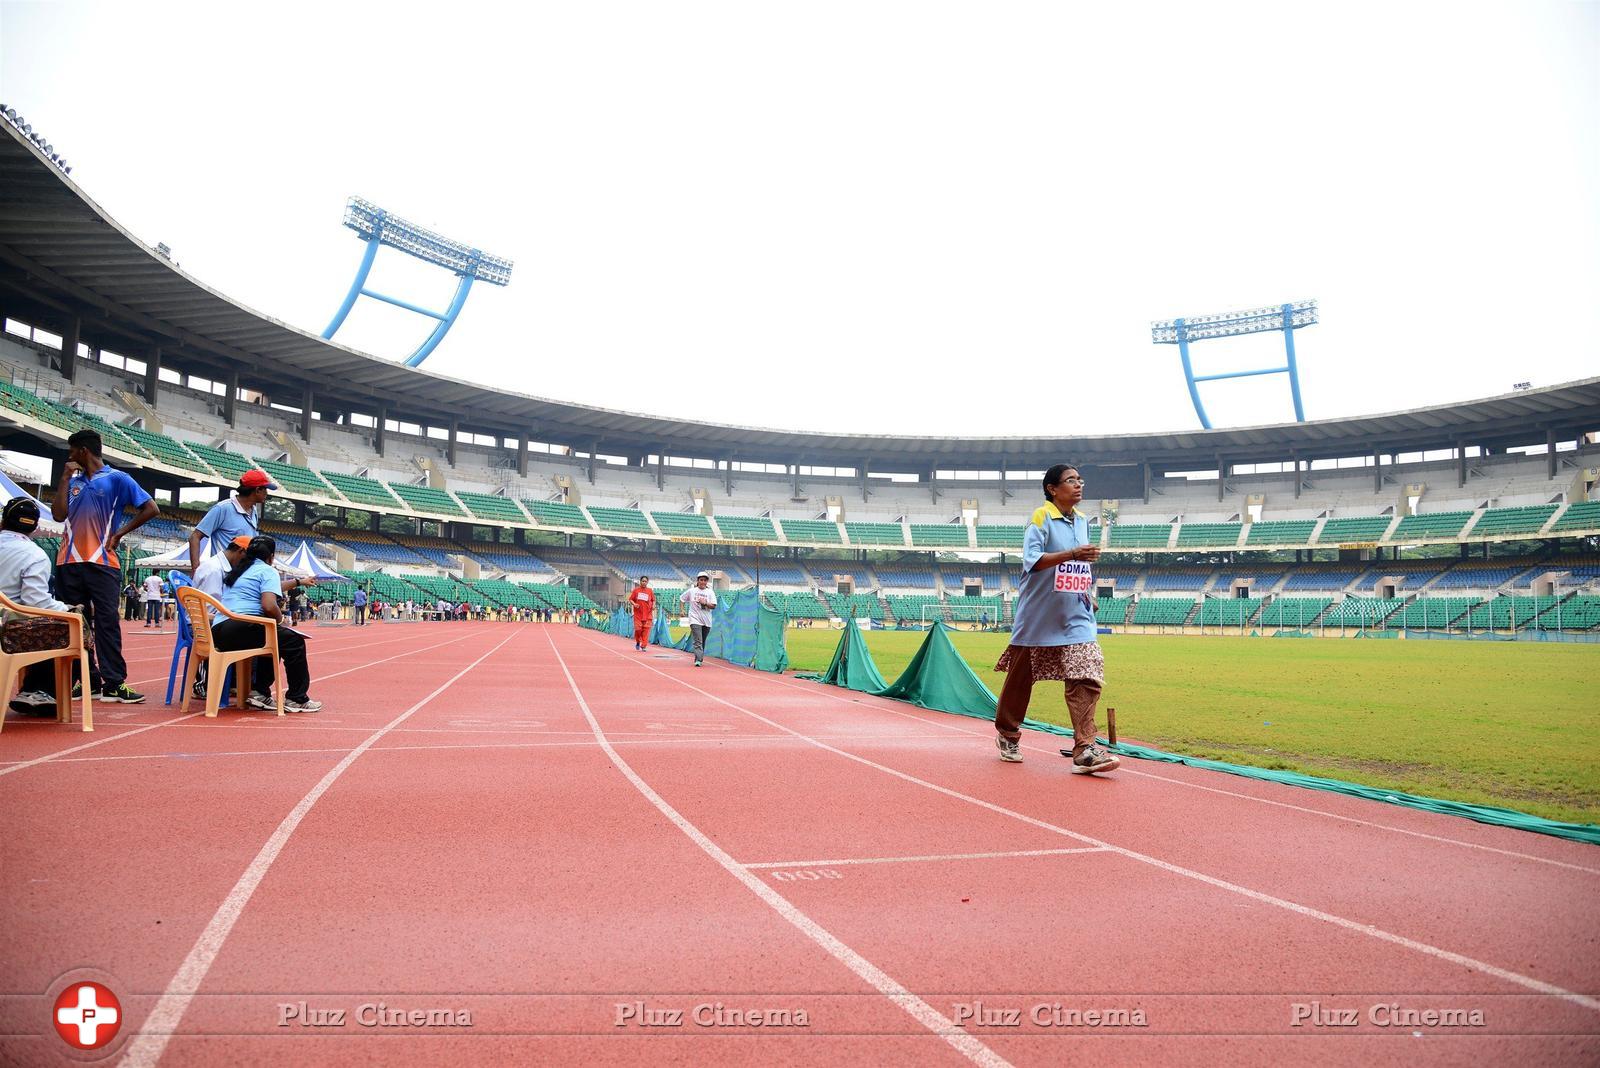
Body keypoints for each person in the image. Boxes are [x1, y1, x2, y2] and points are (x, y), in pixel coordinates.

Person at [991, 464, 1118, 773]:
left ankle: (1085, 748)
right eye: (1070, 480)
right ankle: (1007, 733)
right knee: (1020, 680)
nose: (1078, 485)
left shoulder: (1085, 521)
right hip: (1038, 615)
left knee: (1086, 672)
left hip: (1075, 614)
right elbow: (1032, 562)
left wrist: (1087, 591)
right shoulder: (1041, 517)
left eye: (1080, 480)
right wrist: (1073, 554)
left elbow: (1080, 565)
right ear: (1052, 488)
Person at [52, 428, 159, 703]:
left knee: (107, 621)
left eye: (72, 450)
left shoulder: (117, 478)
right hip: (68, 561)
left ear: (83, 451)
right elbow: (58, 514)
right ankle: (86, 680)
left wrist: (120, 533)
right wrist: (64, 478)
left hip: (103, 562)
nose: (69, 456)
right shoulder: (72, 481)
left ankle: (114, 683)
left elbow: (151, 508)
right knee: (76, 624)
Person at [213, 535, 321, 713]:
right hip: (241, 627)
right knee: (294, 642)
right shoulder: (267, 571)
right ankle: (296, 698)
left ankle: (259, 693)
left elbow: (272, 586)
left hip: (219, 631)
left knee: (273, 638)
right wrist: (280, 620)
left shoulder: (238, 571)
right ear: (271, 557)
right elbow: (269, 605)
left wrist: (299, 582)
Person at [0, 496, 87, 715]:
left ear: (3, 521)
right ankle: (41, 690)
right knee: (63, 625)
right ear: (35, 527)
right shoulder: (34, 554)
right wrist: (66, 608)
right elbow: (35, 602)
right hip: (7, 627)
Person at [190, 534, 251, 699]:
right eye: (246, 559)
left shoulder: (223, 568)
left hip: (212, 618)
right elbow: (207, 609)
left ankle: (234, 683)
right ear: (240, 551)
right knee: (228, 633)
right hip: (202, 623)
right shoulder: (214, 570)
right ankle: (202, 683)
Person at [188, 469, 275, 568]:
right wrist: (196, 569)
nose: (267, 493)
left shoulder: (253, 511)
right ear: (257, 490)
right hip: (222, 574)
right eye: (265, 489)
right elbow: (194, 537)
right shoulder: (223, 508)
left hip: (240, 574)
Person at [679, 571, 717, 667]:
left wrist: (705, 603)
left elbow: (713, 606)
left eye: (704, 580)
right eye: (701, 580)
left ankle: (699, 657)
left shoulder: (710, 592)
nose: (703, 582)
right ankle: (698, 659)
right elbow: (682, 599)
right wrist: (682, 610)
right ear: (698, 581)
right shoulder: (692, 591)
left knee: (702, 640)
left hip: (706, 620)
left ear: (707, 581)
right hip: (694, 618)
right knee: (698, 640)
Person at [627, 575, 655, 651]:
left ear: (647, 582)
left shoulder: (650, 591)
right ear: (640, 582)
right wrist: (634, 604)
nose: (644, 583)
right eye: (643, 581)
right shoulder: (636, 590)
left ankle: (644, 646)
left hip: (648, 614)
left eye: (645, 581)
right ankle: (638, 641)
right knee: (638, 629)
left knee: (646, 630)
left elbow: (653, 600)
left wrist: (653, 606)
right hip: (638, 615)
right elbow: (630, 599)